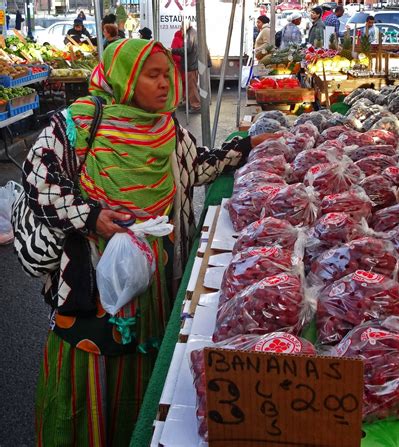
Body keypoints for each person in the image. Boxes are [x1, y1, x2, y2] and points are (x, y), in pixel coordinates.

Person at [26, 38, 277, 447]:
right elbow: (38, 182)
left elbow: (196, 168)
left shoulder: (165, 126)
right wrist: (91, 217)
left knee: (140, 358)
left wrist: (246, 146)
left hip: (152, 273)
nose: (166, 84)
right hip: (91, 272)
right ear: (123, 78)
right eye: (152, 75)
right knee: (94, 357)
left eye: (167, 74)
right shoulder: (77, 123)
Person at [171, 22, 201, 112]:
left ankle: (195, 105)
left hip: (191, 64)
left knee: (191, 87)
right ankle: (190, 102)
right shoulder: (193, 32)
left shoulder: (190, 34)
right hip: (192, 63)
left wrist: (173, 50)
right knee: (190, 86)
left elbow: (187, 49)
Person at [171, 27, 186, 93]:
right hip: (179, 66)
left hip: (184, 65)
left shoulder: (185, 39)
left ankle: (184, 97)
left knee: (185, 82)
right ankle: (181, 98)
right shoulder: (176, 39)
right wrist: (182, 60)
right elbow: (174, 53)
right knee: (180, 82)